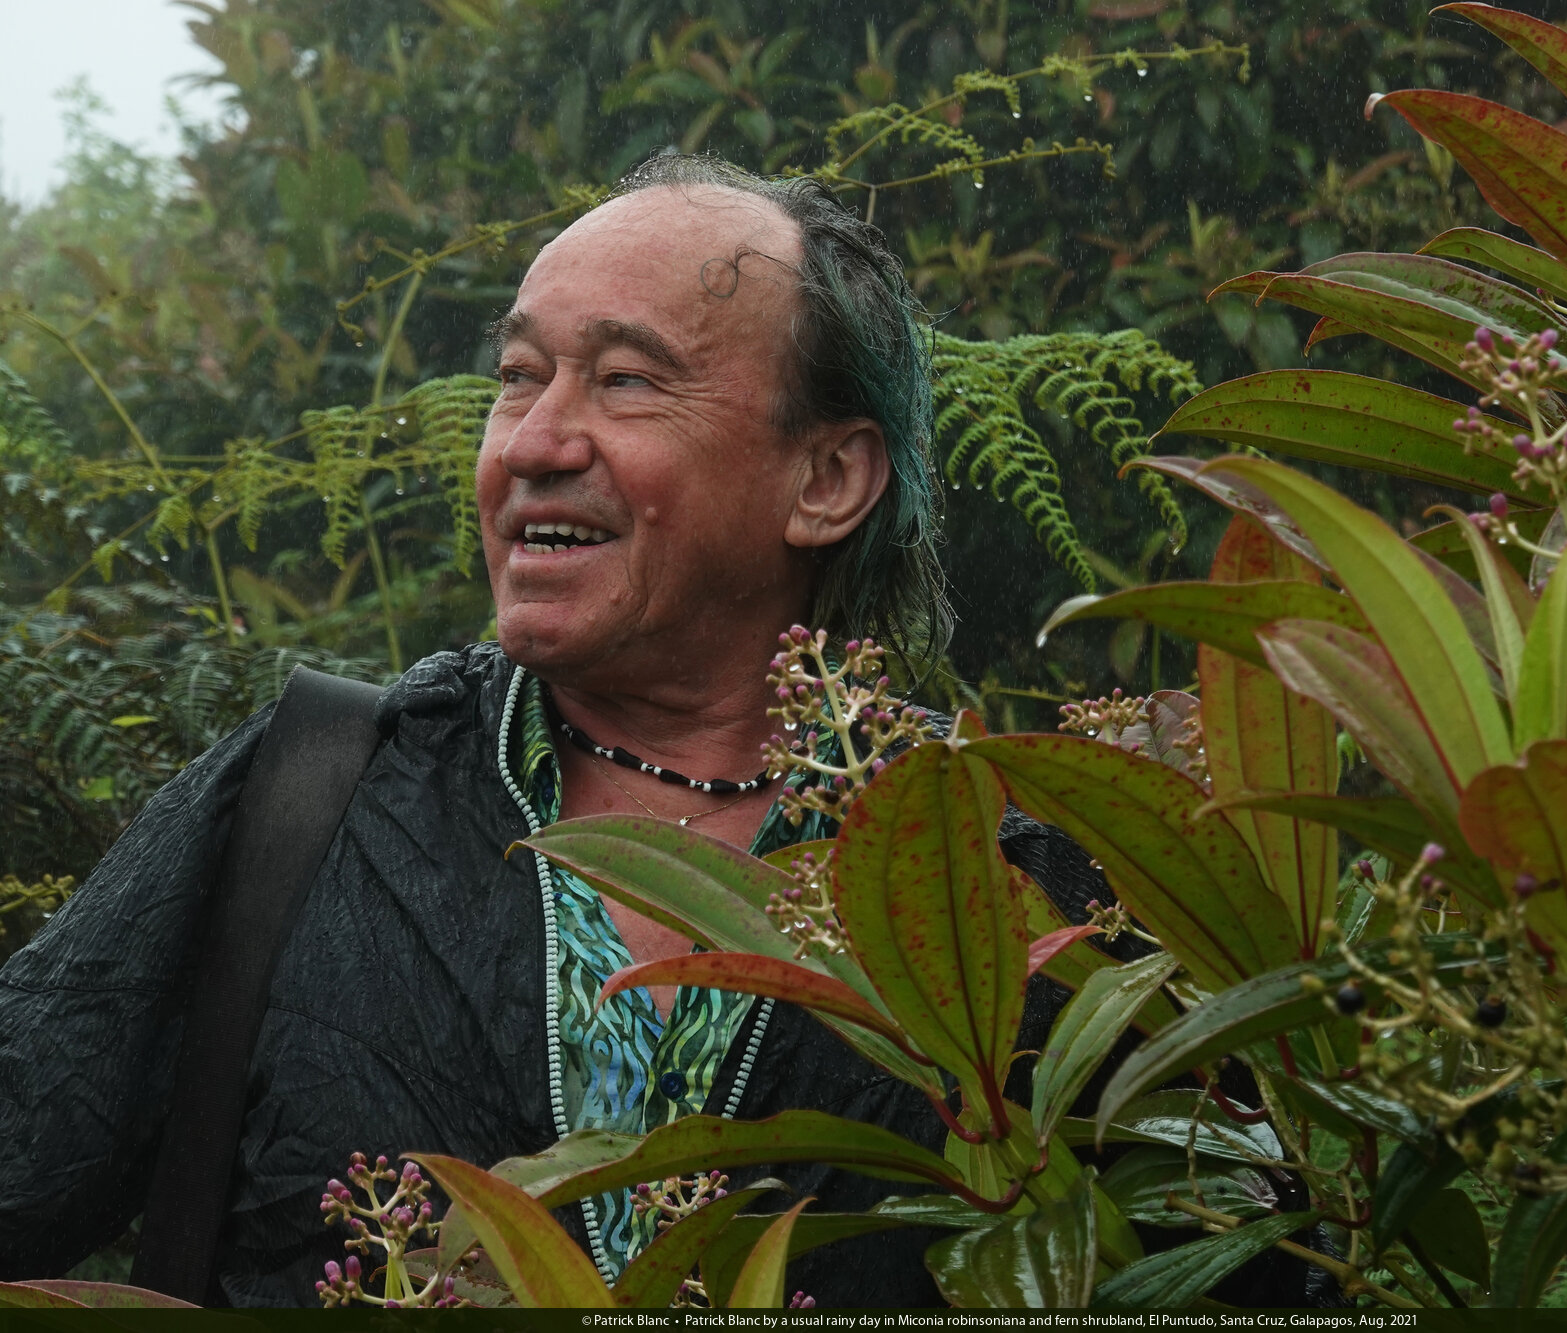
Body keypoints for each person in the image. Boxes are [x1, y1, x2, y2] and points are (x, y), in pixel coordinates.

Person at [0, 155, 1114, 1306]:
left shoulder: (1009, 871)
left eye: (626, 381)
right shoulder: (309, 796)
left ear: (825, 478)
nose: (532, 443)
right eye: (518, 377)